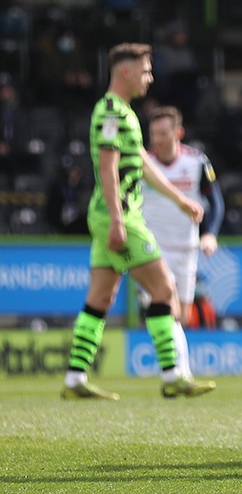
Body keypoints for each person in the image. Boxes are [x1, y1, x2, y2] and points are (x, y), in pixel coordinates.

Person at [61, 43, 206, 401]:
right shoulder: (111, 111)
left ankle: (75, 379)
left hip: (114, 213)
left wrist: (180, 199)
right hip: (121, 214)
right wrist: (116, 220)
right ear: (125, 72)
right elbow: (109, 168)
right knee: (164, 290)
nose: (150, 77)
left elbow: (141, 162)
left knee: (100, 298)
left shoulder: (123, 112)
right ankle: (172, 374)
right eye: (145, 71)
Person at [142, 105, 223, 392]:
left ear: (178, 132)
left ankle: (173, 377)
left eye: (163, 133)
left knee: (182, 316)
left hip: (186, 248)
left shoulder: (197, 162)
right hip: (150, 250)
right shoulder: (143, 164)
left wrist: (210, 234)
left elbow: (216, 202)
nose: (158, 139)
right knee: (166, 308)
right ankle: (178, 375)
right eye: (153, 134)